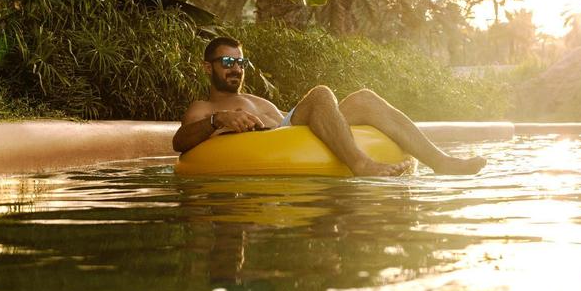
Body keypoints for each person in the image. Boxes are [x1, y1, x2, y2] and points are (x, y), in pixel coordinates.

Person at [172, 36, 487, 177]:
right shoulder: (203, 107)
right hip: (281, 137)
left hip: (291, 129)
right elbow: (180, 142)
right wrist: (217, 120)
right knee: (322, 92)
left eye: (241, 62)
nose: (236, 68)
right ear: (207, 67)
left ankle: (441, 162)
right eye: (227, 62)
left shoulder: (254, 99)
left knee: (364, 97)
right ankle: (360, 164)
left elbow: (286, 123)